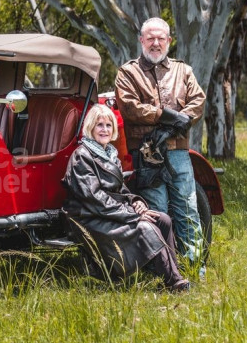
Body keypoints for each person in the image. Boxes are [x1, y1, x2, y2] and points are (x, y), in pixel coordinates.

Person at [62, 104, 189, 291]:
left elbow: (120, 190)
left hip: (109, 211)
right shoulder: (83, 156)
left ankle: (171, 271)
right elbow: (94, 198)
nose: (104, 130)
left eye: (108, 125)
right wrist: (133, 216)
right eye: (99, 125)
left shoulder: (109, 154)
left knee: (162, 219)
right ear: (91, 127)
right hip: (89, 217)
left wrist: (135, 202)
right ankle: (172, 282)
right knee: (145, 227)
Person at [114, 17, 206, 271]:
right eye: (150, 38)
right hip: (147, 153)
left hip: (178, 152)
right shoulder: (127, 72)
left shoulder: (183, 70)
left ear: (169, 41)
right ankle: (165, 271)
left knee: (187, 209)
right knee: (156, 212)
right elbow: (130, 108)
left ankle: (195, 267)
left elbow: (197, 99)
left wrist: (184, 118)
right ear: (141, 40)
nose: (155, 43)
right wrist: (166, 116)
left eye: (160, 38)